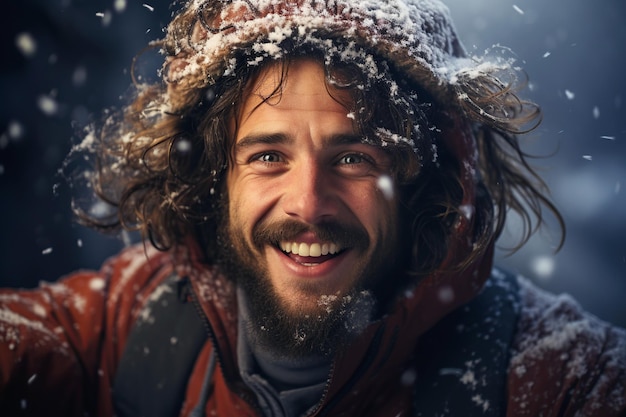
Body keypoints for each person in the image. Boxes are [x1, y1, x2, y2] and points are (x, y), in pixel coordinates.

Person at [1, 0, 625, 415]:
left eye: (353, 157)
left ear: (425, 184)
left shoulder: (552, 373)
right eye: (268, 156)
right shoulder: (132, 314)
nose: (307, 204)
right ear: (212, 178)